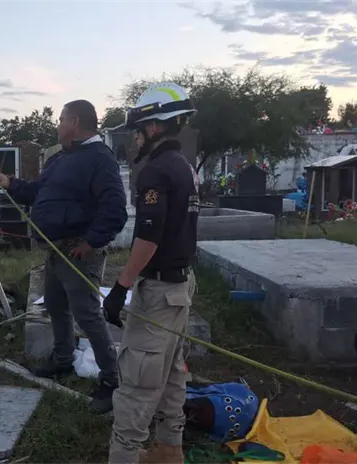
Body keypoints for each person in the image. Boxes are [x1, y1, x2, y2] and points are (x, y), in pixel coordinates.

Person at [0, 99, 127, 413]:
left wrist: (90, 243)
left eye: (61, 119)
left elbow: (115, 209)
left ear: (75, 122)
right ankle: (63, 359)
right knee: (55, 305)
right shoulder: (61, 158)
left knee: (88, 315)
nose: (58, 124)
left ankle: (112, 378)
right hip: (54, 250)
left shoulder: (99, 159)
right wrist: (9, 183)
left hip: (78, 252)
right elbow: (39, 192)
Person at [101, 82, 200, 464]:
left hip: (158, 292)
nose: (134, 139)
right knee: (173, 375)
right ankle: (168, 450)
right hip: (179, 288)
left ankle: (123, 457)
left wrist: (120, 286)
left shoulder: (155, 172)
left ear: (154, 128)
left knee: (138, 384)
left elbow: (147, 238)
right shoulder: (184, 167)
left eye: (136, 131)